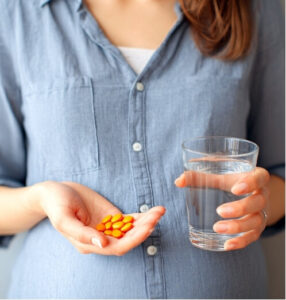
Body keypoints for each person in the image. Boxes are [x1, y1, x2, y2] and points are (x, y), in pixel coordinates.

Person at [0, 0, 284, 298]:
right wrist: (41, 198)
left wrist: (260, 205)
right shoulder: (16, 13)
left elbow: (280, 172)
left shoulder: (254, 8)